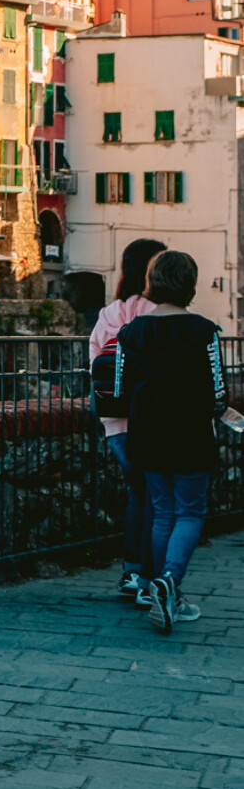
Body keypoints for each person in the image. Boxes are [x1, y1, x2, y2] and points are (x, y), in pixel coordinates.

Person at [117, 249, 226, 635]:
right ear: (190, 284)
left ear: (152, 282)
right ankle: (170, 583)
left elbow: (120, 389)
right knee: (190, 513)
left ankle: (162, 586)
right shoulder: (206, 332)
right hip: (191, 434)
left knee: (161, 511)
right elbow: (218, 394)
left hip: (147, 435)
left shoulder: (130, 333)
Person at [89, 237, 166, 606]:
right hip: (154, 421)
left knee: (139, 494)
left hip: (116, 423)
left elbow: (93, 366)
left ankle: (132, 572)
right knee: (158, 498)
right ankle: (152, 578)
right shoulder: (160, 313)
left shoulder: (109, 314)